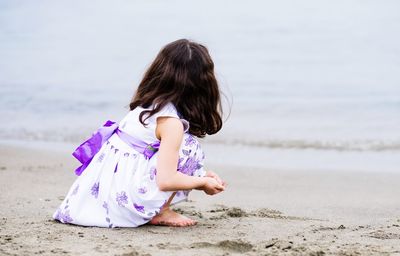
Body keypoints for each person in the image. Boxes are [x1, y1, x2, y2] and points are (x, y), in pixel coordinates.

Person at [53, 39, 226, 228]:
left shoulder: (148, 105)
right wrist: (200, 183)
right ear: (203, 85)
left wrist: (202, 175)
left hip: (100, 195)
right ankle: (162, 212)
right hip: (124, 203)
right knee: (189, 147)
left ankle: (160, 208)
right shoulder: (171, 123)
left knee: (181, 147)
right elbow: (166, 180)